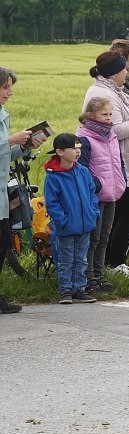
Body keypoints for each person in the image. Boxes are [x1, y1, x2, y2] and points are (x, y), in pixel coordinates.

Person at [83, 50, 129, 279]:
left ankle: (106, 263)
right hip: (116, 163)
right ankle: (115, 263)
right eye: (123, 69)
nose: (127, 73)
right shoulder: (106, 94)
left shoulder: (112, 90)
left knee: (118, 215)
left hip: (118, 161)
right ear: (115, 72)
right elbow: (114, 130)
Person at [1, 66, 46, 314]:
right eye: (6, 87)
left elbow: (5, 154)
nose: (10, 92)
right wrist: (10, 140)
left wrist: (26, 146)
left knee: (3, 242)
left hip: (1, 192)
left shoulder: (2, 114)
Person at [75, 97, 126, 294]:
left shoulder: (111, 135)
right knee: (92, 238)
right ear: (90, 115)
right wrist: (98, 185)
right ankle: (88, 278)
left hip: (112, 194)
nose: (108, 119)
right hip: (96, 196)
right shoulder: (85, 139)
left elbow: (118, 161)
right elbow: (83, 168)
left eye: (110, 114)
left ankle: (99, 275)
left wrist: (121, 179)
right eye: (104, 115)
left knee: (104, 238)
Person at [43, 133, 100, 304]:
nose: (77, 152)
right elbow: (52, 203)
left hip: (85, 225)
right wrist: (63, 221)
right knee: (66, 259)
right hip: (66, 227)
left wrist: (93, 212)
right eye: (73, 149)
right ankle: (65, 290)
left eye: (79, 148)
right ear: (60, 152)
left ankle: (79, 289)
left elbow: (92, 194)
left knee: (81, 258)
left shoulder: (82, 171)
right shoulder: (53, 176)